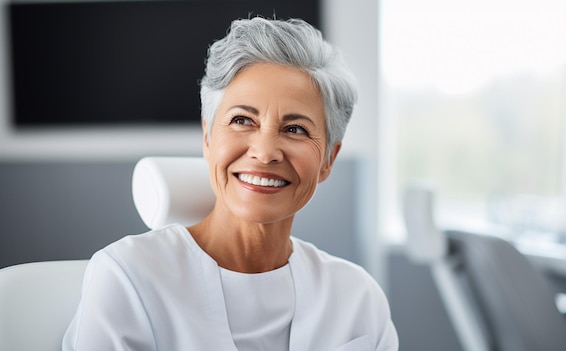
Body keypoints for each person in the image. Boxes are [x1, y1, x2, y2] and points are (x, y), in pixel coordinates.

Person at [62, 17, 398, 350]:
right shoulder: (128, 278)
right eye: (242, 120)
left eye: (295, 129)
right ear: (207, 138)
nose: (265, 153)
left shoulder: (358, 299)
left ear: (328, 160)